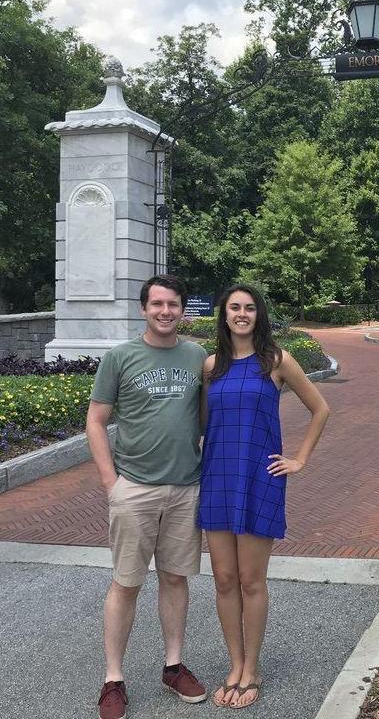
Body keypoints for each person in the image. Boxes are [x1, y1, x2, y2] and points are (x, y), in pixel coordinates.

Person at [198, 284, 330, 710]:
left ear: (259, 314)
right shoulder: (211, 366)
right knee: (223, 579)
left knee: (252, 580)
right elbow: (204, 423)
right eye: (234, 307)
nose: (241, 314)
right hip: (217, 478)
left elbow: (320, 409)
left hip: (260, 477)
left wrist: (299, 460)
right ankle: (233, 664)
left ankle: (252, 668)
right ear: (224, 314)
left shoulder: (275, 361)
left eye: (249, 308)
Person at [87, 275, 209, 719]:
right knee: (126, 583)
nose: (165, 311)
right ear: (144, 309)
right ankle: (113, 679)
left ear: (182, 309)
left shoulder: (197, 356)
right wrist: (110, 481)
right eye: (157, 304)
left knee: (175, 578)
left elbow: (204, 417)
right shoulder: (120, 357)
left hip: (184, 488)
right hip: (134, 488)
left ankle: (173, 665)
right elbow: (96, 420)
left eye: (173, 304)